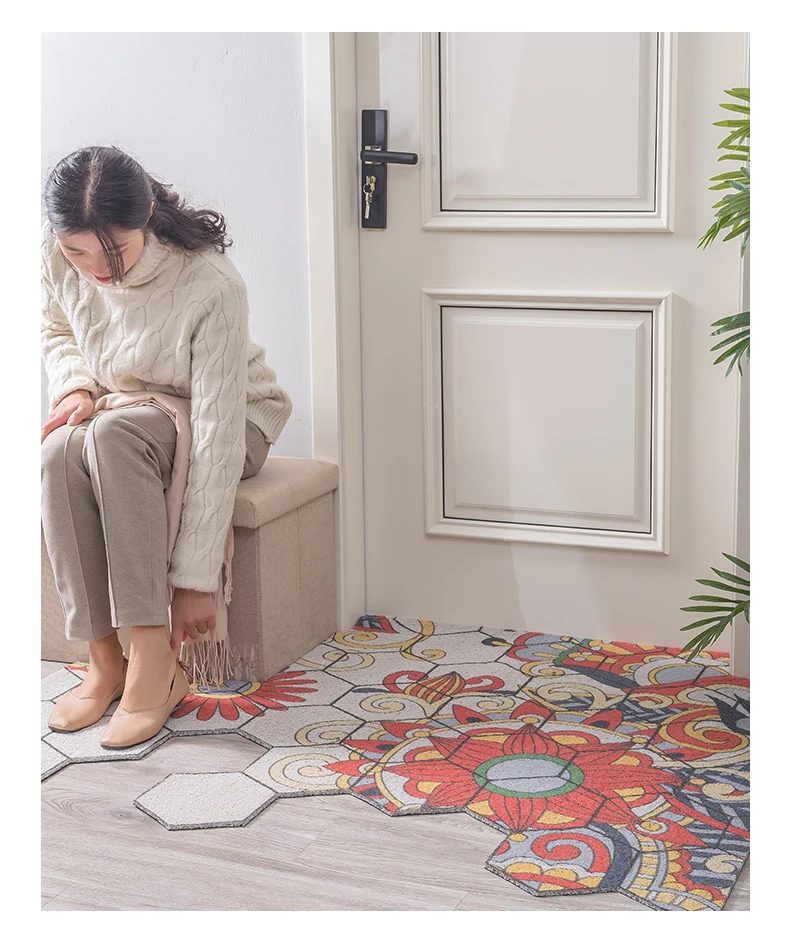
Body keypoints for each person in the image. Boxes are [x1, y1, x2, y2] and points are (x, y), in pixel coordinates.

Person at [40, 145, 293, 747]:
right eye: (78, 253)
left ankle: (155, 661)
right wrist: (76, 385)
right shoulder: (55, 252)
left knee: (112, 437)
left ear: (146, 216)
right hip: (130, 405)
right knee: (57, 451)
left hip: (234, 418)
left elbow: (218, 429)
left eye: (115, 252)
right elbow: (56, 327)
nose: (97, 270)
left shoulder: (211, 283)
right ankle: (104, 661)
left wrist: (196, 577)